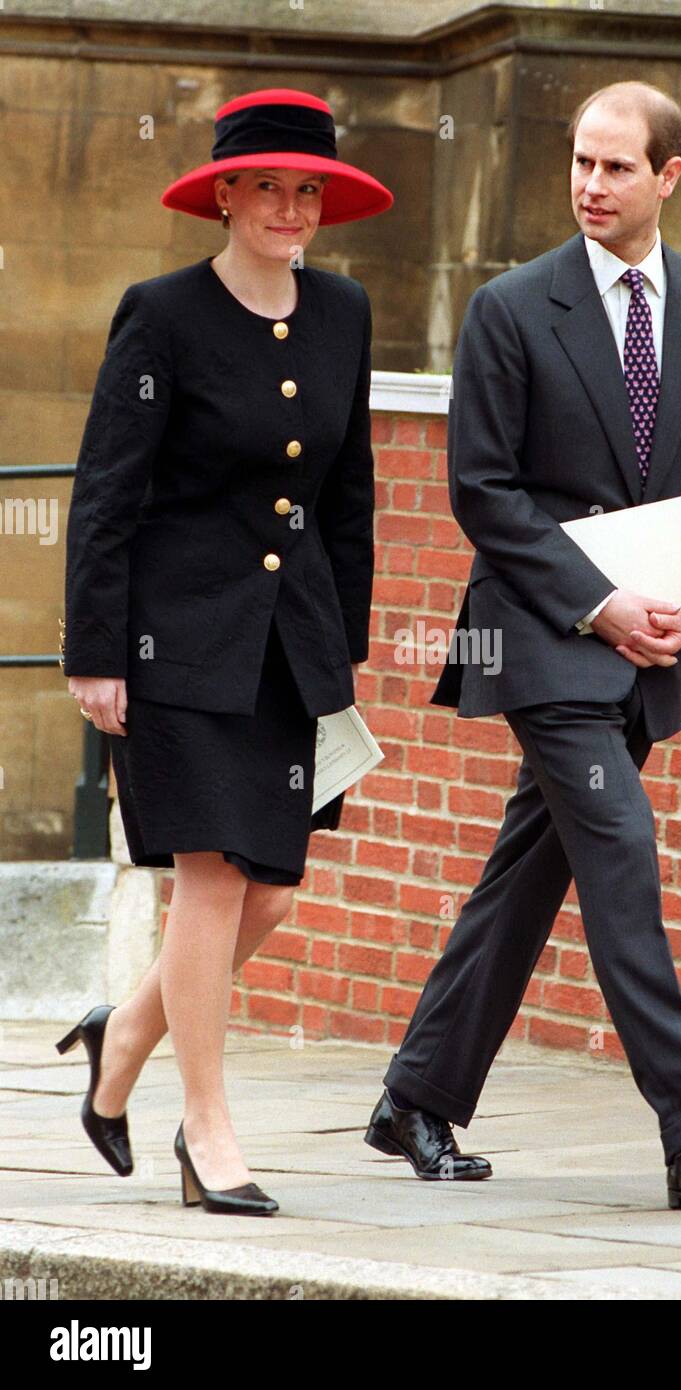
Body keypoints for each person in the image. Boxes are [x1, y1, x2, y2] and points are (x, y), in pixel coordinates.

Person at [366, 81, 681, 1210]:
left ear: (669, 176)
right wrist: (597, 604)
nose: (590, 185)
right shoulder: (509, 307)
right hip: (539, 637)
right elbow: (482, 492)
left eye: (615, 167)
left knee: (526, 875)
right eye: (579, 164)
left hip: (654, 643)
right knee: (621, 861)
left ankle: (415, 1097)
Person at [57, 88, 392, 1215]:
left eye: (309, 191)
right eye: (270, 187)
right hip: (175, 643)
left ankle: (122, 1037)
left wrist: (340, 645)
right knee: (209, 881)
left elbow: (350, 498)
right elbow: (106, 493)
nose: (292, 209)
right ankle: (208, 1130)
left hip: (287, 649)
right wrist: (96, 652)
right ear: (225, 194)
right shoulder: (159, 316)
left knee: (272, 892)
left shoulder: (343, 314)